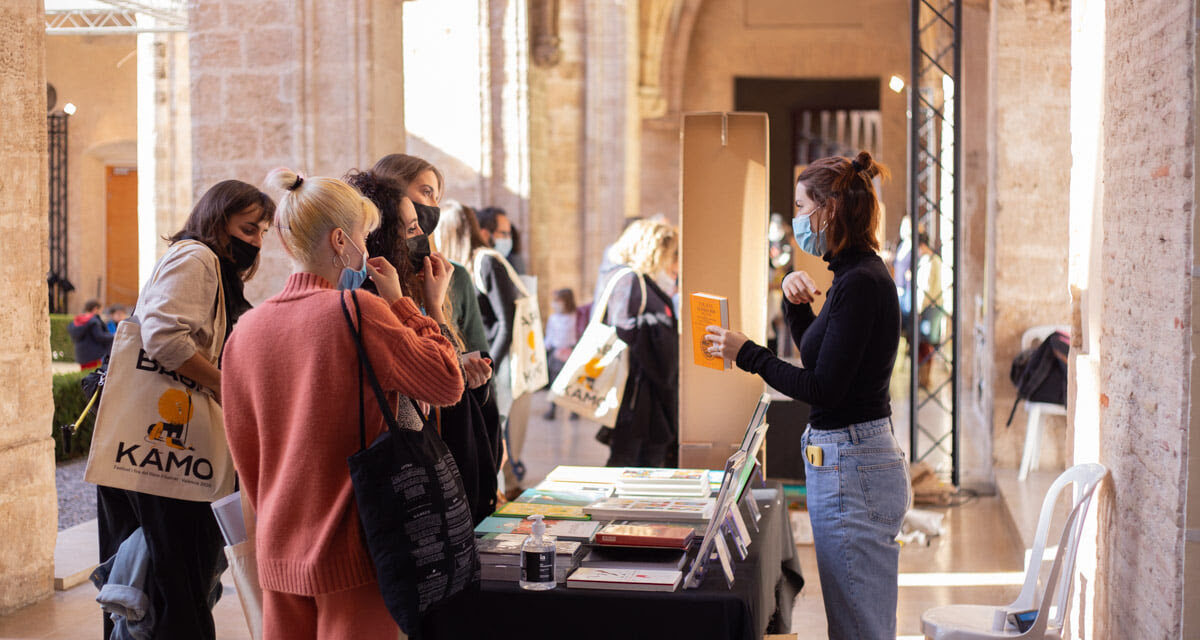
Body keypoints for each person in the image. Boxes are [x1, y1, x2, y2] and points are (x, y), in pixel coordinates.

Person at [222, 169, 465, 640]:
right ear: (339, 240)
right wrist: (408, 304)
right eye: (361, 235)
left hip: (278, 550)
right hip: (355, 549)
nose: (365, 246)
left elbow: (246, 460)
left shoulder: (244, 333)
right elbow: (447, 382)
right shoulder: (359, 311)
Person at [705, 151, 908, 640]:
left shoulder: (861, 282)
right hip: (849, 458)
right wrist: (793, 305)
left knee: (859, 625)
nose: (796, 219)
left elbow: (822, 389)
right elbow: (823, 362)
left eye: (800, 206)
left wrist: (748, 352)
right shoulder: (850, 277)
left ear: (829, 210)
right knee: (854, 617)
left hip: (852, 463)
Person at [96, 179, 275, 640]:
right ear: (219, 221)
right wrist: (228, 387)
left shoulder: (210, 264)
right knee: (177, 580)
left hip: (166, 446)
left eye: (261, 233)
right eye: (248, 229)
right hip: (162, 444)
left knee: (173, 577)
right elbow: (162, 337)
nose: (255, 242)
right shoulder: (197, 258)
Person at [345, 169, 499, 524]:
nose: (423, 235)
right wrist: (430, 307)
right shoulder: (372, 305)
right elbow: (444, 381)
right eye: (412, 228)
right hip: (406, 489)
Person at [597, 219, 680, 468]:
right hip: (635, 394)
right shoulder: (630, 279)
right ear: (654, 250)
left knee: (644, 457)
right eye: (670, 253)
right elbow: (623, 328)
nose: (673, 261)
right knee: (627, 459)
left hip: (647, 393)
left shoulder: (644, 281)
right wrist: (658, 325)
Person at [542, 288, 579, 420]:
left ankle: (575, 409)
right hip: (556, 353)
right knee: (554, 383)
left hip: (571, 352)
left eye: (558, 301)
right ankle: (553, 409)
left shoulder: (576, 317)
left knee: (572, 382)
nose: (555, 304)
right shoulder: (553, 319)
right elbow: (550, 337)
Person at [68, 299, 112, 370]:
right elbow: (99, 336)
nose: (101, 312)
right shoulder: (94, 321)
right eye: (101, 309)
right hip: (94, 355)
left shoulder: (79, 319)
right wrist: (113, 336)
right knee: (93, 376)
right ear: (95, 309)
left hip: (81, 354)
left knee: (85, 375)